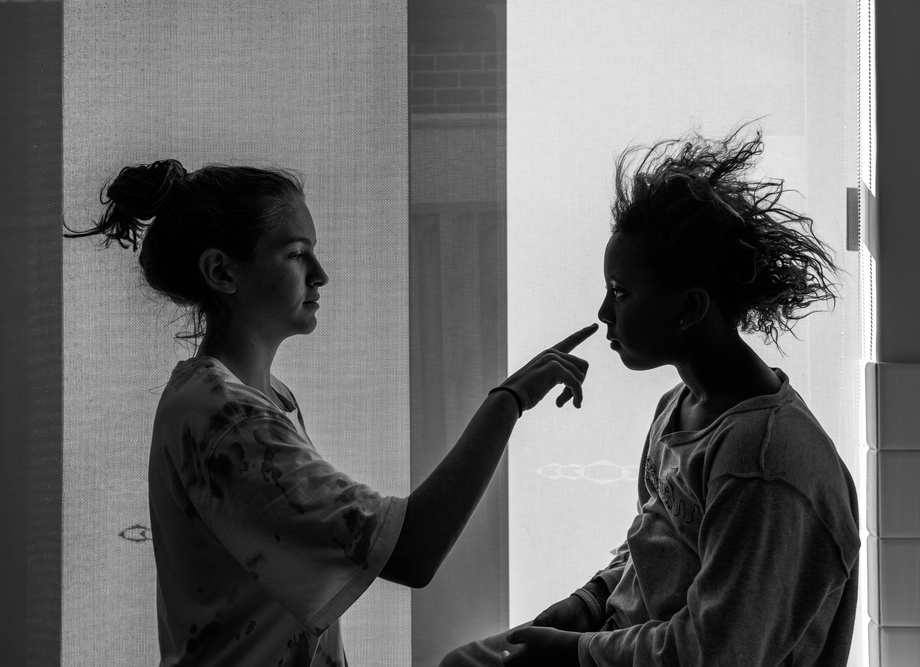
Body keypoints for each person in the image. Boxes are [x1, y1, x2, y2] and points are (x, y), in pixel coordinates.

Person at [64, 160, 597, 667]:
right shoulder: (230, 421)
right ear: (222, 271)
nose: (320, 274)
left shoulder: (249, 400)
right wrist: (508, 401)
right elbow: (414, 551)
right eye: (296, 254)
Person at [440, 125, 860, 667]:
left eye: (620, 292)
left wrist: (576, 654)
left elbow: (715, 654)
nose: (604, 314)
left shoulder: (761, 464)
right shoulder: (678, 408)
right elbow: (654, 555)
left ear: (688, 308)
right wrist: (589, 603)